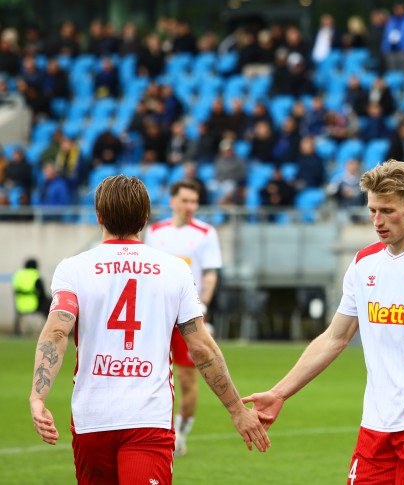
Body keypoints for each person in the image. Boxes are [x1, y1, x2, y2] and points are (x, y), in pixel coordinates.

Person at [243, 160, 404, 484]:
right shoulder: (363, 264)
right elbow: (334, 338)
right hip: (377, 420)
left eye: (387, 211)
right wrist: (280, 392)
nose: (377, 221)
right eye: (372, 211)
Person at [29, 175, 268, 485]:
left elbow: (56, 334)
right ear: (144, 219)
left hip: (92, 417)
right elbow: (201, 348)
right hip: (148, 418)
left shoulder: (73, 268)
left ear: (99, 216)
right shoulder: (175, 269)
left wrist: (37, 398)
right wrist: (237, 409)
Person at [145, 179, 223, 457]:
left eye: (194, 201)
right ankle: (153, 430)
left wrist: (203, 305)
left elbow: (210, 273)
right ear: (172, 201)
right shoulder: (155, 232)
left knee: (188, 379)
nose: (190, 206)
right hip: (156, 317)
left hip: (188, 317)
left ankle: (180, 434)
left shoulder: (205, 233)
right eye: (185, 200)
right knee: (151, 374)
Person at [13, 258, 49, 336]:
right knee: (51, 303)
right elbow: (42, 293)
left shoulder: (18, 275)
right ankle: (49, 329)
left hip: (20, 306)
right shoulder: (35, 275)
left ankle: (17, 331)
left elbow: (15, 291)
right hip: (34, 305)